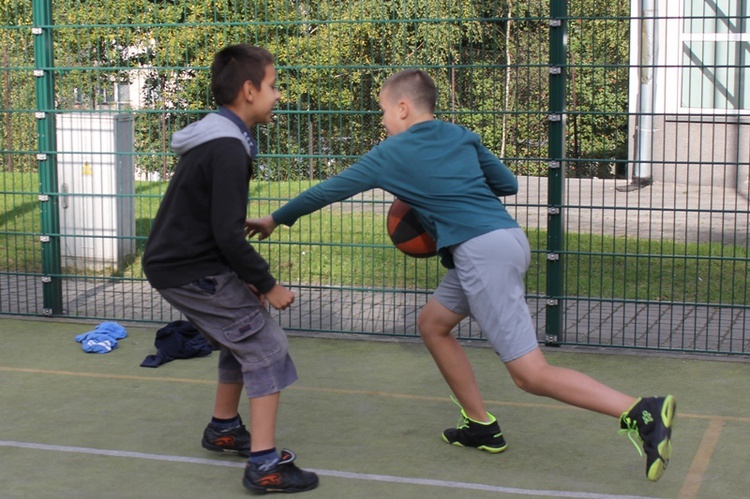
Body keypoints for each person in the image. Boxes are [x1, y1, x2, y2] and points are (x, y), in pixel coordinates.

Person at [245, 69, 676, 482]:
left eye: (381, 111)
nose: (381, 120)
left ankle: (639, 410)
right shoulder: (461, 135)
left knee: (530, 374)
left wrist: (275, 218)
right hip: (506, 239)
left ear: (402, 109)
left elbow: (329, 190)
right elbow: (507, 184)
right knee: (433, 324)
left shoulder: (390, 153)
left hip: (481, 254)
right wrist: (452, 187)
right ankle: (479, 425)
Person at [142, 44, 318, 494]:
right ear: (248, 90)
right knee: (266, 347)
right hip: (186, 268)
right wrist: (266, 283)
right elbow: (226, 232)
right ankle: (264, 466)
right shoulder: (227, 148)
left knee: (243, 333)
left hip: (184, 263)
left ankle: (223, 428)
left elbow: (213, 225)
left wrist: (240, 279)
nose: (278, 95)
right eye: (273, 86)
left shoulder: (222, 139)